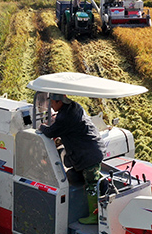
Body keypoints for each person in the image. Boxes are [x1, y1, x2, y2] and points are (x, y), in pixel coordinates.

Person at [38, 94, 105, 224]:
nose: (50, 105)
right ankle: (95, 207)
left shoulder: (65, 117)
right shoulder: (74, 107)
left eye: (52, 102)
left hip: (88, 155)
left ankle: (94, 216)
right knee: (78, 177)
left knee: (92, 185)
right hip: (92, 149)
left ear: (59, 102)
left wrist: (42, 126)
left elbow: (51, 132)